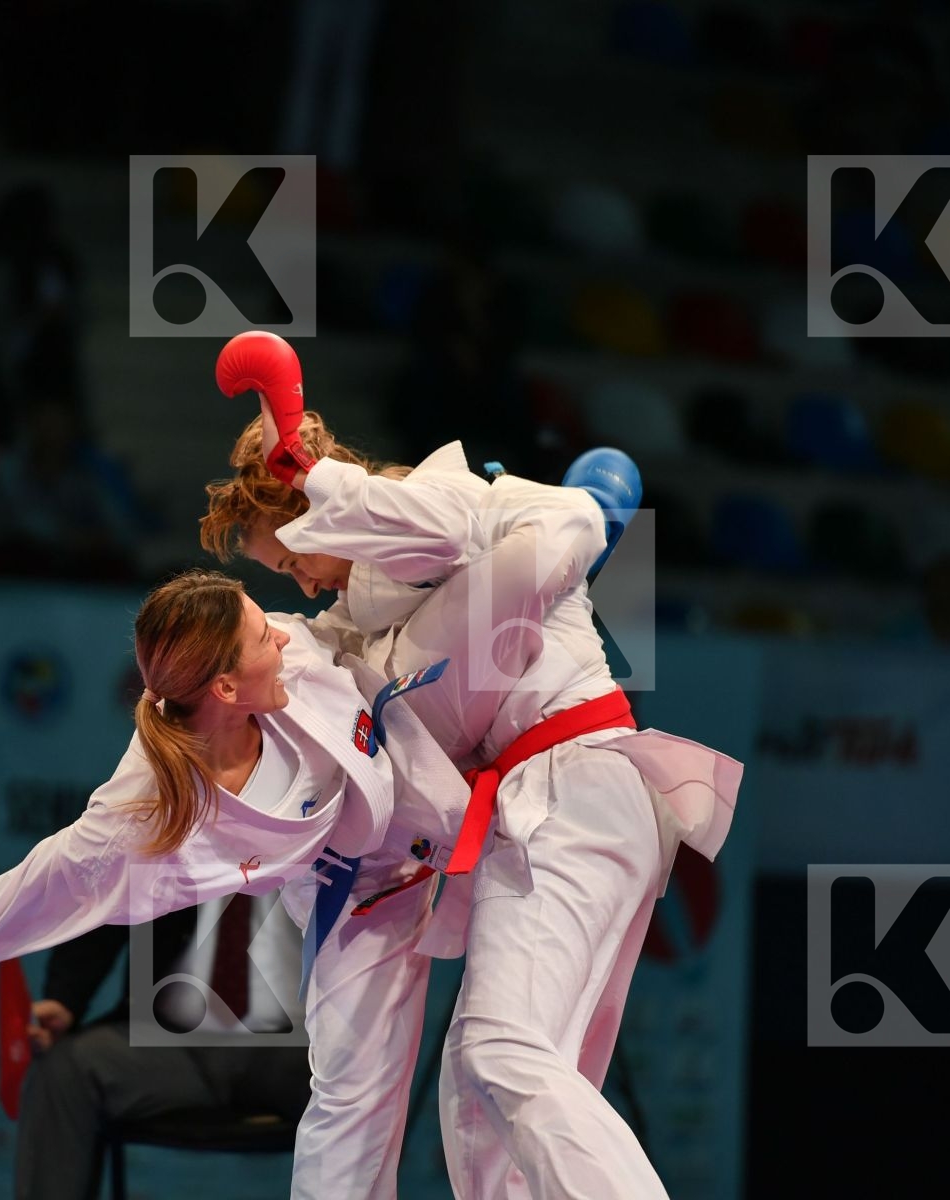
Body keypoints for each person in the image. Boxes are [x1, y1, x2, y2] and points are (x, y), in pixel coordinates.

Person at [204, 330, 742, 1199]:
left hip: (573, 784)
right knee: (480, 1095)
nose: (300, 582)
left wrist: (306, 465)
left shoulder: (437, 503)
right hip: (566, 799)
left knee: (500, 1050)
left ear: (321, 505)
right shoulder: (366, 612)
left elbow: (507, 528)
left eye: (294, 558)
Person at [0, 568, 473, 1199]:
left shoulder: (297, 655)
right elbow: (34, 889)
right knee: (351, 1102)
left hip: (440, 821)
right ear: (224, 688)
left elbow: (364, 595)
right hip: (352, 901)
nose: (282, 634)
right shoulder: (146, 809)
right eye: (262, 634)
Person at [14, 901, 311, 1200]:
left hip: (298, 1049)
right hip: (168, 1043)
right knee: (67, 1067)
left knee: (339, 1083)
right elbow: (107, 900)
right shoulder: (160, 865)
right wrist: (65, 999)